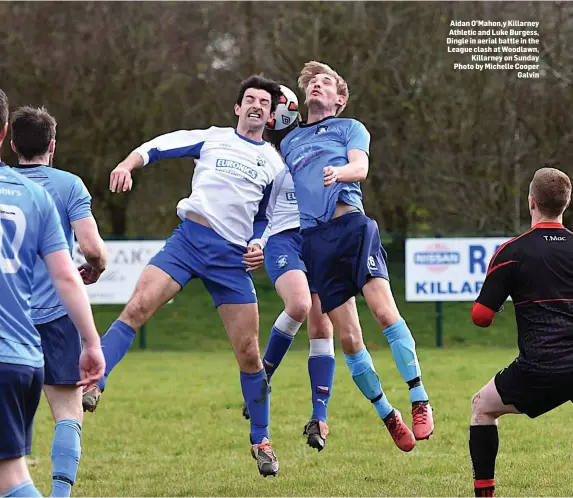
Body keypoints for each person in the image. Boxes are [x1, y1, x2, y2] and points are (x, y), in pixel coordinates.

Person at [81, 75, 286, 477]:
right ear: (237, 108)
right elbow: (158, 146)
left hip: (231, 260)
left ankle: (261, 440)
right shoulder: (213, 138)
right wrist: (127, 163)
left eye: (265, 101)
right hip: (189, 241)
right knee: (137, 307)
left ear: (273, 113)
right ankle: (93, 384)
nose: (257, 105)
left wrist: (261, 243)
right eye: (250, 99)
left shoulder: (275, 164)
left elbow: (270, 217)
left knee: (248, 353)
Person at [279, 61, 434, 453]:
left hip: (352, 228)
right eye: (312, 82)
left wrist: (341, 172)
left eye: (326, 82)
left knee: (383, 312)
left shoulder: (351, 128)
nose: (317, 85)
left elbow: (361, 167)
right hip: (314, 243)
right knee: (348, 338)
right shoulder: (288, 143)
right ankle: (388, 414)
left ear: (339, 98)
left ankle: (419, 398)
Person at [0, 89, 105, 497]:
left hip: (11, 323)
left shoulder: (13, 185)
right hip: (53, 319)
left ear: (12, 142)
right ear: (52, 145)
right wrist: (96, 268)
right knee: (67, 413)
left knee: (10, 472)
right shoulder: (62, 188)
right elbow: (90, 251)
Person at [242, 86, 336, 453]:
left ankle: (319, 417)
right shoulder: (265, 156)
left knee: (322, 322)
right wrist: (255, 241)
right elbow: (255, 209)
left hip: (319, 238)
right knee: (299, 305)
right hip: (282, 239)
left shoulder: (318, 144)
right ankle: (263, 376)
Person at [469, 167, 573, 497]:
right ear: (565, 204)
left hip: (541, 368)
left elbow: (481, 317)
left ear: (531, 202)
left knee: (482, 408)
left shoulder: (513, 251)